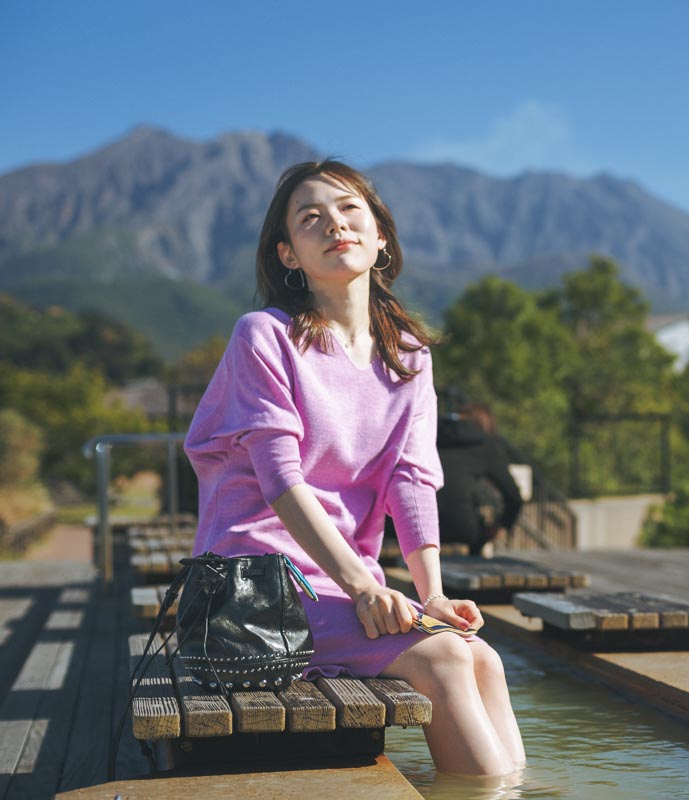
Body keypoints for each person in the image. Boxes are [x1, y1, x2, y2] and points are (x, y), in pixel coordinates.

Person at [184, 160, 524, 777]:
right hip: (253, 593)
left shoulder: (409, 356)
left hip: (343, 586)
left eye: (348, 210)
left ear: (380, 237)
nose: (333, 225)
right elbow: (280, 480)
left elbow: (412, 482)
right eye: (310, 218)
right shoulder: (264, 336)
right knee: (445, 661)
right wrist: (367, 587)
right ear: (289, 254)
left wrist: (434, 594)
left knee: (482, 657)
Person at [437, 403, 524, 556]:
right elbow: (514, 497)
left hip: (413, 526)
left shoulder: (431, 434)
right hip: (461, 528)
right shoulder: (484, 444)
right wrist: (500, 527)